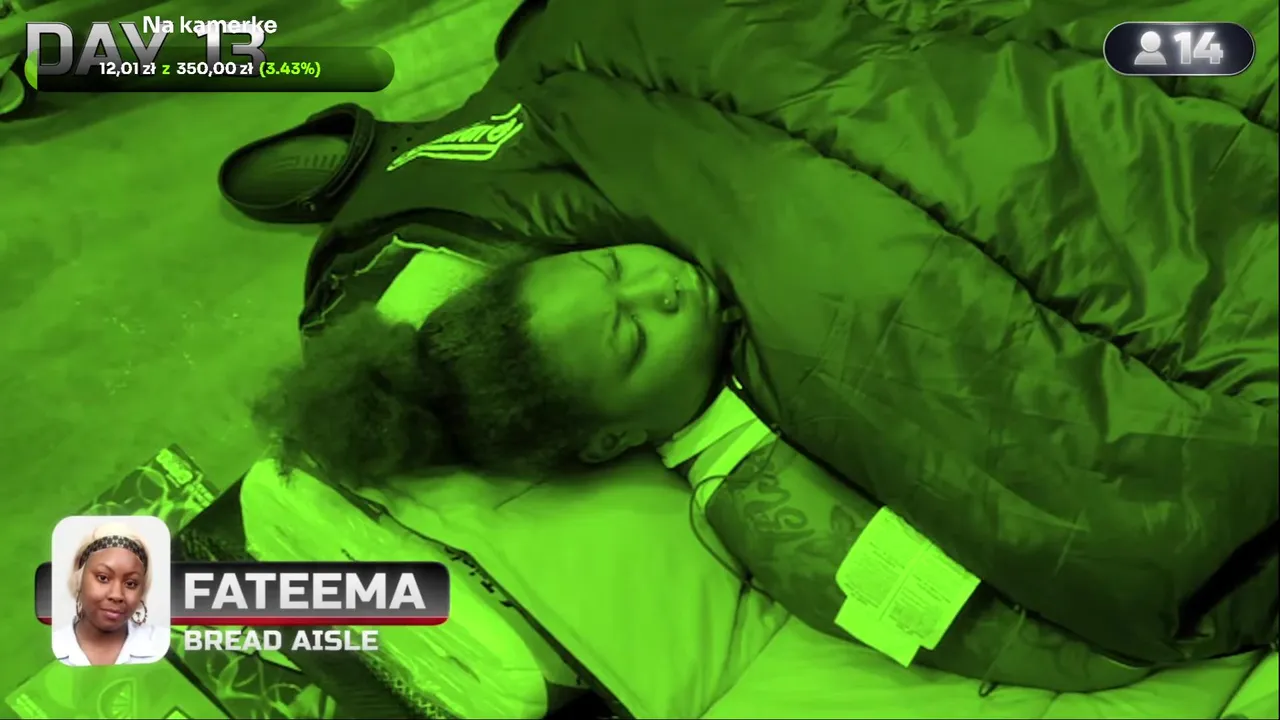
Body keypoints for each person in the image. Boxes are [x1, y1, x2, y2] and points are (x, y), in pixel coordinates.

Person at [255, 241, 736, 486]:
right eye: (635, 334)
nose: (662, 283)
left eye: (612, 264)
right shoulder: (739, 475)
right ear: (609, 439)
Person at [53, 522, 165, 666]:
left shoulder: (164, 647)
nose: (117, 595)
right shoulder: (48, 651)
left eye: (130, 583)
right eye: (103, 578)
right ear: (79, 578)